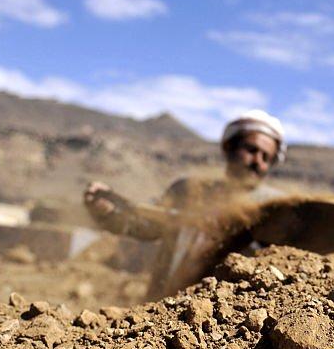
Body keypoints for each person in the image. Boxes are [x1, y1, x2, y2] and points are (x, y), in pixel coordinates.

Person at [84, 110, 287, 299]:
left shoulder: (276, 207)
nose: (258, 162)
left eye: (266, 157)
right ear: (229, 148)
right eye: (251, 150)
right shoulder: (188, 190)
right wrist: (108, 212)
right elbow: (147, 225)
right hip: (164, 309)